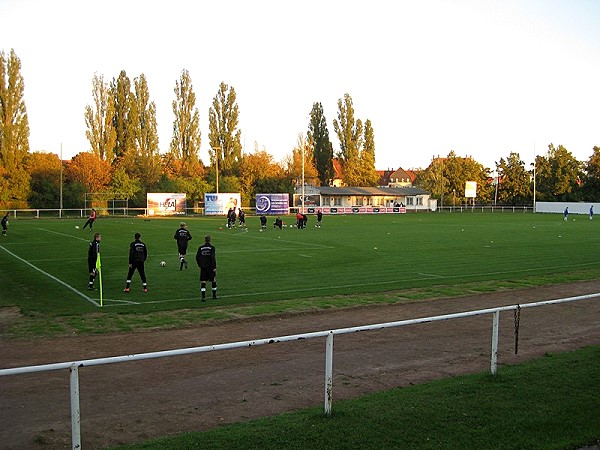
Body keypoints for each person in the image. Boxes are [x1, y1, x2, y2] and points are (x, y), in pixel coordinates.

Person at [196, 235, 217, 301]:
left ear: (205, 240)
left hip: (203, 266)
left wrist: (200, 264)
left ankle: (203, 297)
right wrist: (214, 266)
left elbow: (197, 257)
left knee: (203, 281)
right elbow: (212, 257)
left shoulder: (201, 248)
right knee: (213, 280)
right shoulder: (212, 248)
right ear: (210, 240)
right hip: (210, 266)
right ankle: (214, 296)